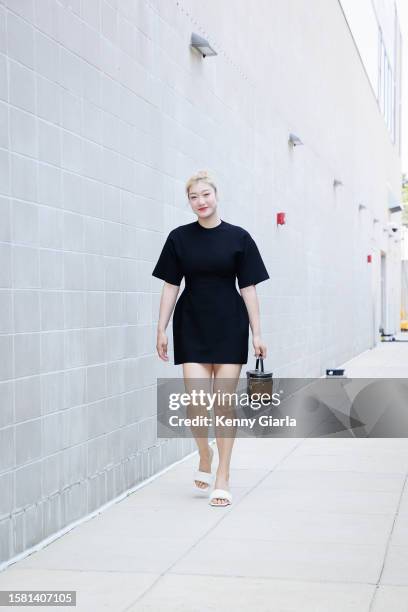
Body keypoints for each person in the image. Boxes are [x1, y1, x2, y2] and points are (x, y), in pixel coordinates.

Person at [152, 170, 269, 507]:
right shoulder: (179, 238)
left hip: (230, 324)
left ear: (216, 196)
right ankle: (205, 454)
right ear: (189, 202)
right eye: (193, 197)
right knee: (197, 403)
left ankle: (223, 475)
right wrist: (160, 327)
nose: (200, 202)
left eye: (205, 194)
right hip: (191, 324)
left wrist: (257, 333)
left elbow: (248, 287)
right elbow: (170, 285)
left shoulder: (239, 238)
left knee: (223, 403)